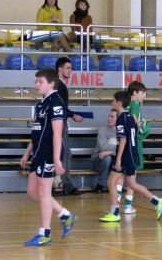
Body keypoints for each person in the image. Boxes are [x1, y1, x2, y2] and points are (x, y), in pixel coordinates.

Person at [20, 68, 77, 246]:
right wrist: (28, 152)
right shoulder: (41, 104)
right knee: (32, 191)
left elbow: (57, 133)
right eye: (36, 81)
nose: (36, 84)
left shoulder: (56, 103)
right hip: (38, 153)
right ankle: (65, 215)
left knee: (44, 192)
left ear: (51, 83)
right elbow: (37, 131)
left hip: (49, 154)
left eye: (40, 82)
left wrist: (57, 158)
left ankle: (45, 234)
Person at [99, 91, 162, 222]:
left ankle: (115, 212)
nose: (112, 102)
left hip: (125, 155)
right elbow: (135, 129)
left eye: (113, 100)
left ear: (118, 103)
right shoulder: (130, 117)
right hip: (134, 154)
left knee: (111, 182)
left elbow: (123, 139)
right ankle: (157, 201)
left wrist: (118, 159)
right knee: (132, 184)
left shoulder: (121, 118)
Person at [118, 81, 151, 213]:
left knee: (121, 173)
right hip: (134, 142)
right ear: (135, 93)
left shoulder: (126, 104)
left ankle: (117, 202)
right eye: (143, 92)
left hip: (126, 141)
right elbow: (134, 121)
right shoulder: (135, 104)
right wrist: (142, 126)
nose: (144, 95)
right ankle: (127, 205)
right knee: (132, 175)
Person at [55, 57, 84, 195]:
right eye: (68, 68)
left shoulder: (57, 85)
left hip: (58, 123)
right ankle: (66, 185)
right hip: (59, 124)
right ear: (60, 69)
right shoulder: (59, 86)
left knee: (62, 154)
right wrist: (73, 115)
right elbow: (60, 107)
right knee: (65, 154)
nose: (70, 70)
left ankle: (61, 184)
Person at [91, 109, 118, 194]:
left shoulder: (122, 132)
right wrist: (118, 147)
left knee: (119, 157)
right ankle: (101, 184)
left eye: (112, 117)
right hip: (99, 159)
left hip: (113, 158)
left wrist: (110, 152)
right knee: (107, 158)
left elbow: (125, 150)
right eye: (109, 116)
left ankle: (117, 185)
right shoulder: (103, 130)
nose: (109, 118)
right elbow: (103, 147)